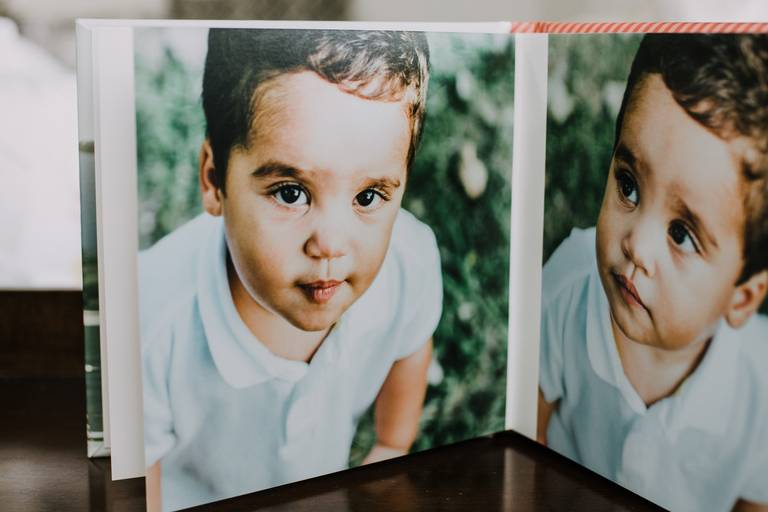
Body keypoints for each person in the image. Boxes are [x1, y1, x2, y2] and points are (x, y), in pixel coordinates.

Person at [139, 28, 442, 511]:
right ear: (214, 180)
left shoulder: (408, 262)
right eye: (291, 192)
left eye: (368, 197)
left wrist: (391, 446)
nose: (331, 244)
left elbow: (411, 344)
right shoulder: (150, 318)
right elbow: (139, 479)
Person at [537, 34, 768, 512]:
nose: (636, 245)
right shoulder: (568, 288)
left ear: (742, 297)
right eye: (628, 185)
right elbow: (527, 431)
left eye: (681, 234)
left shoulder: (757, 396)